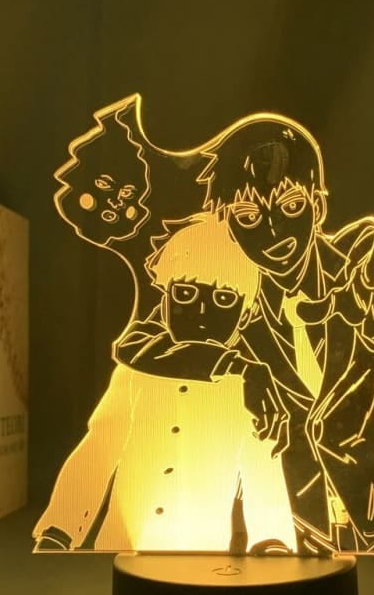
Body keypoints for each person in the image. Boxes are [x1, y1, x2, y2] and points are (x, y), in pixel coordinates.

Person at [115, 115, 374, 553]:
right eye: (248, 216)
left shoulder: (358, 260)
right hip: (287, 516)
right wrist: (239, 367)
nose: (272, 231)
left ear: (318, 206)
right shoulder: (225, 288)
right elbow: (137, 342)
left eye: (291, 207)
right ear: (227, 223)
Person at [33, 212, 296, 554]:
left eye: (223, 299)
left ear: (246, 313)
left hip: (202, 557)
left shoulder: (249, 390)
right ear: (165, 299)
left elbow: (263, 470)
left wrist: (273, 540)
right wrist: (60, 528)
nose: (201, 311)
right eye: (185, 293)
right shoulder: (135, 369)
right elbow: (98, 450)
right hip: (120, 550)